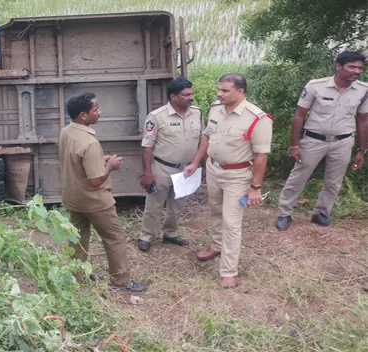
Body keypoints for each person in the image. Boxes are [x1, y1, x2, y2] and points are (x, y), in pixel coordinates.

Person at [183, 73, 273, 288]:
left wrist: (255, 187)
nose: (219, 94)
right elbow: (207, 137)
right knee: (215, 211)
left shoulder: (257, 119)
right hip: (214, 169)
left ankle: (229, 271)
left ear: (240, 92)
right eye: (219, 89)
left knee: (231, 223)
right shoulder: (216, 108)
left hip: (238, 176)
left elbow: (260, 156)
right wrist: (196, 162)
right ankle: (216, 245)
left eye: (224, 91)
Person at [58, 92, 146, 292]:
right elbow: (96, 180)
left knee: (78, 238)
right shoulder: (89, 142)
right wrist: (110, 166)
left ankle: (77, 277)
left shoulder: (67, 132)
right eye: (96, 109)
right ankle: (121, 282)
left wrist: (99, 160)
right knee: (115, 236)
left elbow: (75, 160)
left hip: (74, 197)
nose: (100, 113)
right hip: (94, 200)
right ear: (83, 115)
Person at [275, 51, 368, 231]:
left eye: (360, 68)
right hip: (313, 141)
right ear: (339, 66)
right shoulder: (316, 86)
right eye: (352, 67)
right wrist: (294, 145)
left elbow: (363, 120)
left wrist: (362, 150)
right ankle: (284, 213)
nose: (356, 71)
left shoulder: (364, 90)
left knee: (334, 182)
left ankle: (321, 214)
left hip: (343, 142)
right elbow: (299, 116)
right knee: (298, 177)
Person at [137, 77, 204, 251]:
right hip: (162, 168)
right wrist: (147, 173)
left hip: (186, 169)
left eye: (191, 93)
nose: (191, 97)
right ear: (173, 97)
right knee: (154, 205)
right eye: (186, 94)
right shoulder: (156, 117)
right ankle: (146, 236)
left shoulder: (197, 113)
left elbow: (204, 139)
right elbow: (147, 146)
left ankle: (170, 233)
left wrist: (197, 163)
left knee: (178, 205)